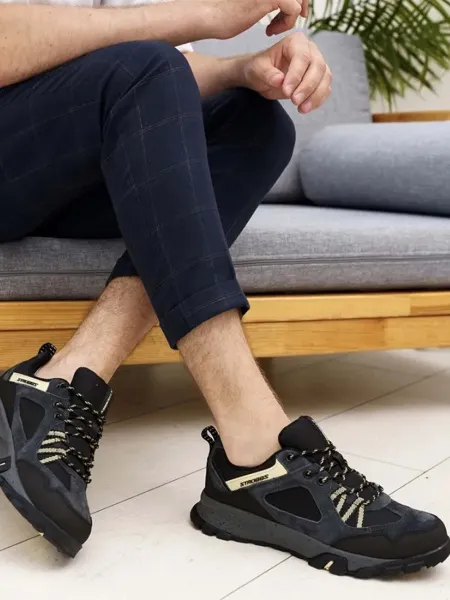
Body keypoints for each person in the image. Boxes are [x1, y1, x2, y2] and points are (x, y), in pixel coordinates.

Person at [0, 0, 448, 578]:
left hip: (55, 167)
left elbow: (137, 75)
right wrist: (204, 14)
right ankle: (256, 448)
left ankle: (67, 376)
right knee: (149, 65)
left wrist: (242, 69)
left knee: (256, 123)